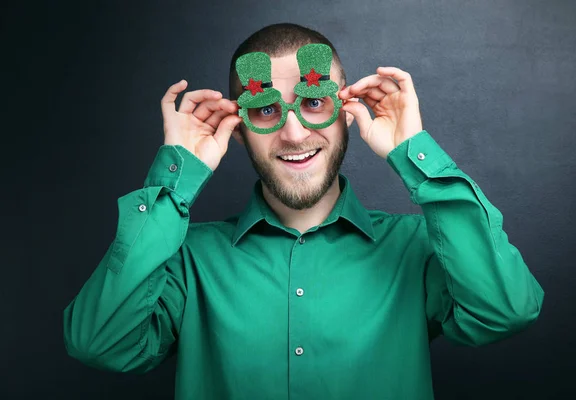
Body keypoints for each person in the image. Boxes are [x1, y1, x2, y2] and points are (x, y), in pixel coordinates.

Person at [63, 23, 544, 400]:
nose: (293, 134)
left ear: (347, 107)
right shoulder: (187, 261)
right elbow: (100, 343)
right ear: (238, 124)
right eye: (266, 110)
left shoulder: (417, 248)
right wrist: (175, 178)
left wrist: (414, 153)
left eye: (314, 102)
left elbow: (505, 310)